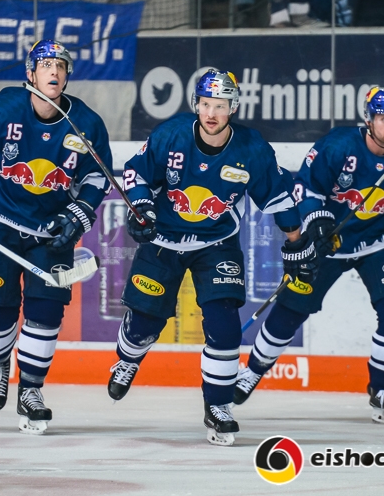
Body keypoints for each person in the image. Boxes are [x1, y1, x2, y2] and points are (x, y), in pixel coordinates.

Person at [106, 69, 318, 446]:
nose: (211, 113)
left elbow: (278, 197)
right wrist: (141, 208)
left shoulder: (251, 148)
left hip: (217, 242)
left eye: (220, 106)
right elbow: (137, 173)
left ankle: (219, 406)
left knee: (225, 327)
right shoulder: (171, 135)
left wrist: (296, 242)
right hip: (164, 239)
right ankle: (128, 358)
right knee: (144, 325)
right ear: (196, 104)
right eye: (206, 104)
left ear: (233, 108)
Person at [234, 86, 384, 425]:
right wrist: (318, 223)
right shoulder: (339, 145)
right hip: (331, 241)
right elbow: (305, 187)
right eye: (383, 119)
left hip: (378, 239)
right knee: (292, 309)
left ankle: (383, 389)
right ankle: (252, 370)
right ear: (368, 120)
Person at [0, 39, 113, 435]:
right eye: (45, 65)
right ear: (30, 73)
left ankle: (31, 389)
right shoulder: (2, 108)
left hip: (51, 232)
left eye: (60, 66)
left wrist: (80, 213)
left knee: (46, 310)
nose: (54, 71)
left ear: (67, 76)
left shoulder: (87, 124)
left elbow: (97, 177)